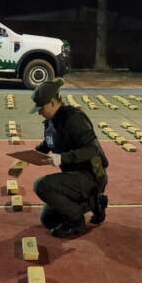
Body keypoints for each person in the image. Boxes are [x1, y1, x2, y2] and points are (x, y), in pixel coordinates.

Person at [30, 79, 109, 237]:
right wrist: (30, 155)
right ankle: (95, 203)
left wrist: (62, 158)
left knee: (41, 186)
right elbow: (49, 142)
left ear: (52, 102)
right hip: (73, 177)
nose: (39, 112)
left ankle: (77, 223)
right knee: (49, 219)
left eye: (41, 108)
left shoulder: (74, 119)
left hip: (90, 176)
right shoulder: (52, 121)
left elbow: (92, 149)